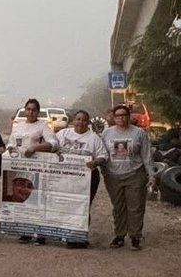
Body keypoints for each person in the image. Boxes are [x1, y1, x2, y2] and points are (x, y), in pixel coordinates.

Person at [101, 103, 158, 250]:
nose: (121, 118)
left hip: (135, 174)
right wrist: (102, 169)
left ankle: (135, 237)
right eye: (118, 116)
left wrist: (151, 175)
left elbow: (146, 156)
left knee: (136, 206)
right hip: (113, 176)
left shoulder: (139, 133)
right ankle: (119, 235)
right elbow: (102, 154)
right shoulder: (107, 133)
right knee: (118, 207)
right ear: (114, 118)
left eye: (124, 115)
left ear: (129, 116)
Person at [54, 110, 110, 248]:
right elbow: (52, 147)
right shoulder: (62, 134)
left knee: (83, 206)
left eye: (84, 120)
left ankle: (79, 237)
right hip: (65, 176)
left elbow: (104, 156)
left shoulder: (94, 138)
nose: (80, 122)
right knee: (65, 204)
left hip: (88, 177)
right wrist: (56, 153)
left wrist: (96, 162)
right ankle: (66, 233)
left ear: (88, 122)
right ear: (73, 120)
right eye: (78, 119)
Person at [12, 98, 58, 243]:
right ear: (25, 110)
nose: (30, 112)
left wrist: (35, 148)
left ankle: (41, 234)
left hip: (39, 168)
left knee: (39, 199)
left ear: (38, 112)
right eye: (28, 109)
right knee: (24, 199)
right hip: (21, 168)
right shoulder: (18, 126)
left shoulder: (43, 126)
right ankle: (26, 231)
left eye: (33, 110)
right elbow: (11, 144)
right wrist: (9, 151)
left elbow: (53, 143)